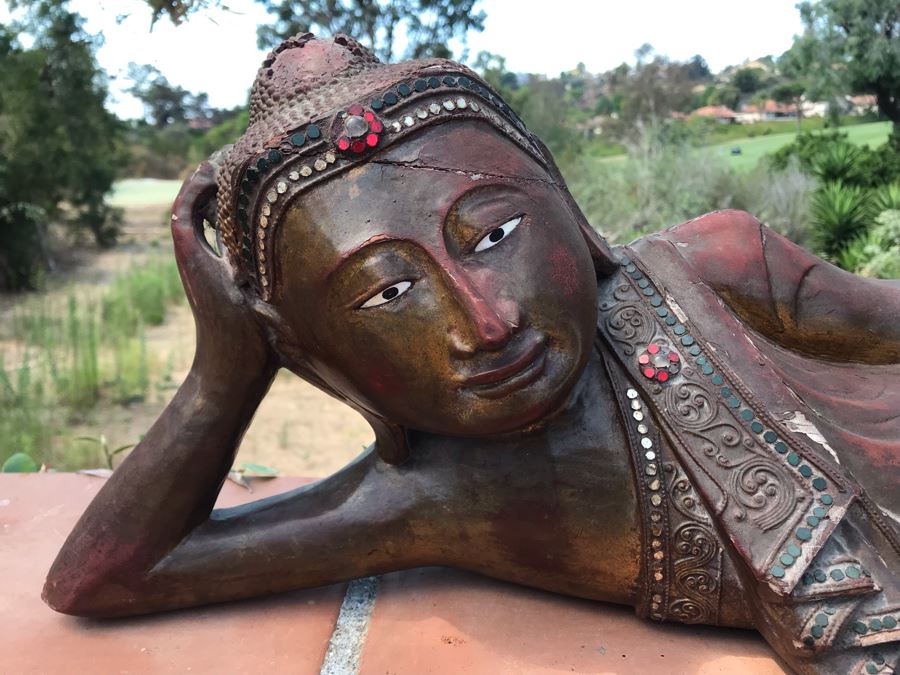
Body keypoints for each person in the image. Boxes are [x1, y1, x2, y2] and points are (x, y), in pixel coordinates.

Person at [43, 34, 899, 674]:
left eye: (494, 232)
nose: (485, 324)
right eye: (386, 294)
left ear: (560, 194)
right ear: (313, 355)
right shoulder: (435, 494)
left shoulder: (710, 267)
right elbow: (108, 578)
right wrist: (224, 373)